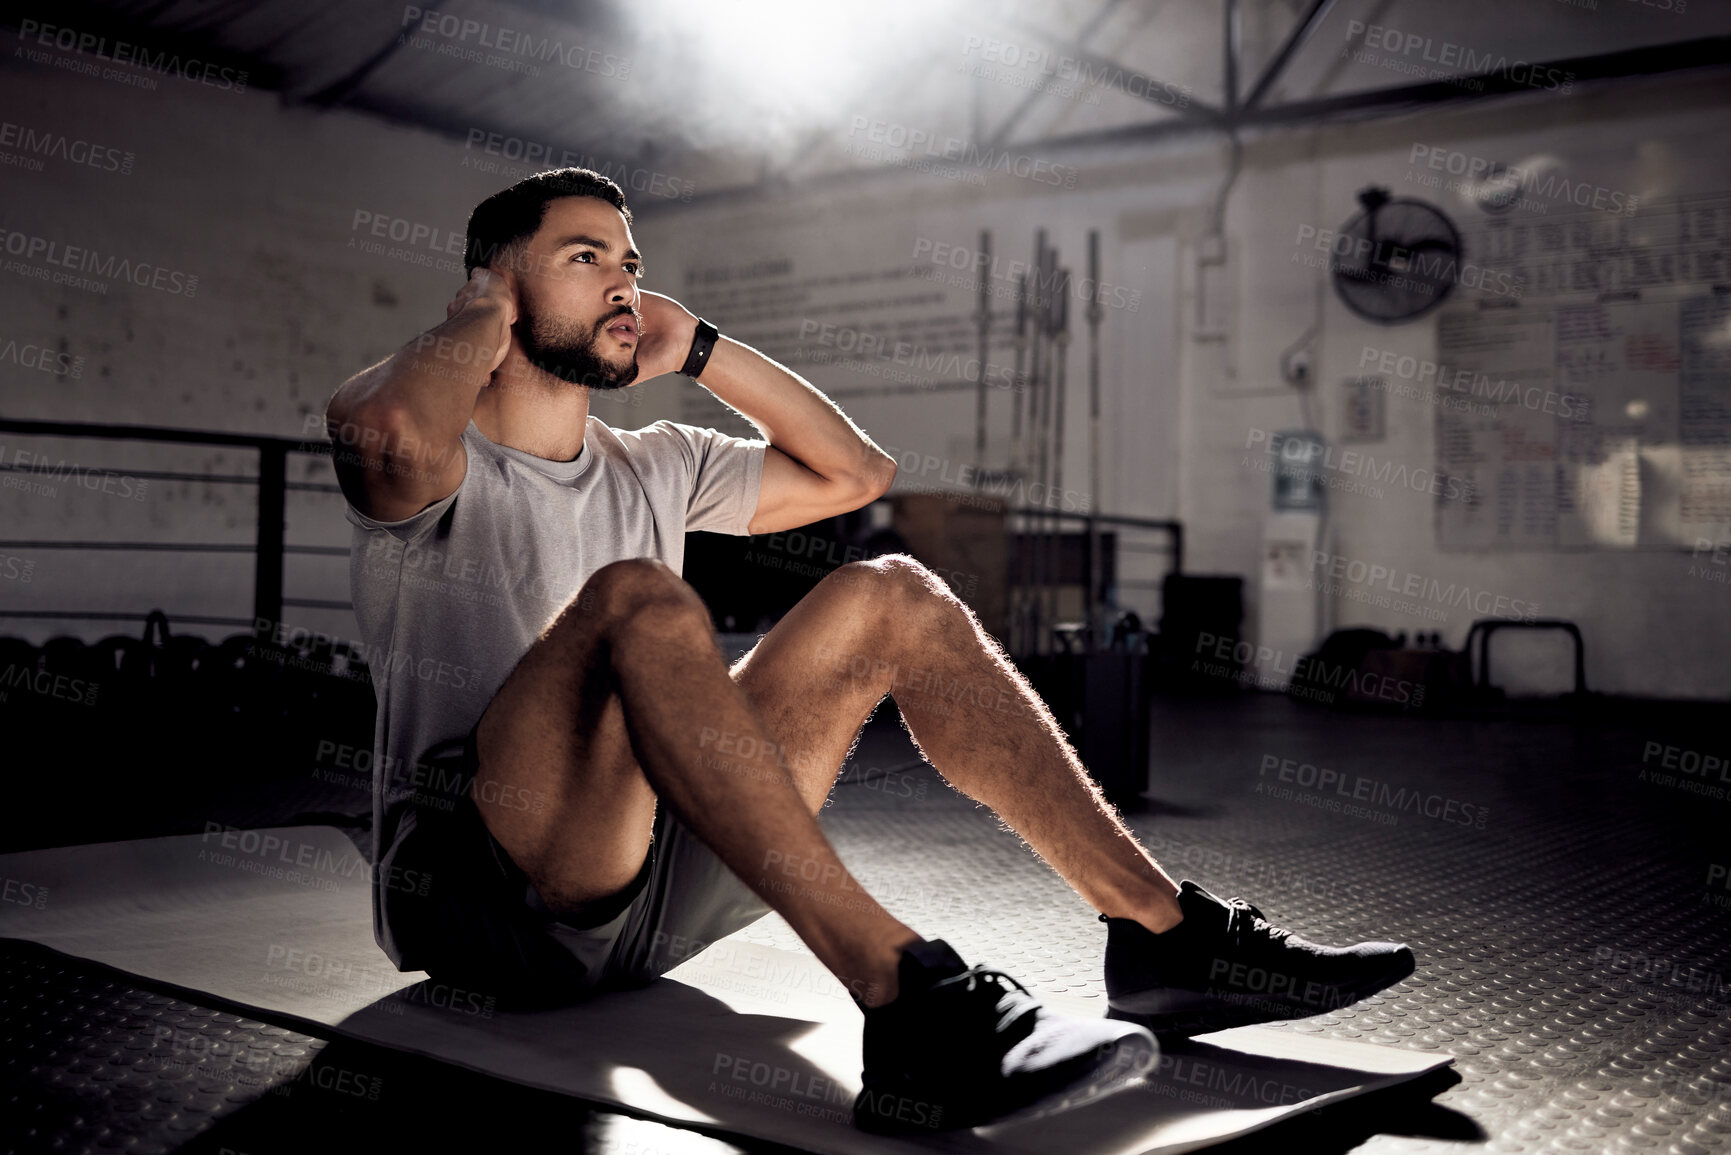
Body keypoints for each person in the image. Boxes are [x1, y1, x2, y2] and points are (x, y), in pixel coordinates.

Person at [325, 167, 1413, 1134]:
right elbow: (395, 438)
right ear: (496, 285)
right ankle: (911, 1002)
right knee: (640, 600)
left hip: (646, 882)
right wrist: (479, 318)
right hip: (484, 898)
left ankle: (1163, 938)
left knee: (893, 592)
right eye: (585, 258)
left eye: (632, 261)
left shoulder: (652, 460)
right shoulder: (417, 437)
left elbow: (856, 475)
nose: (625, 284)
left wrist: (702, 348)